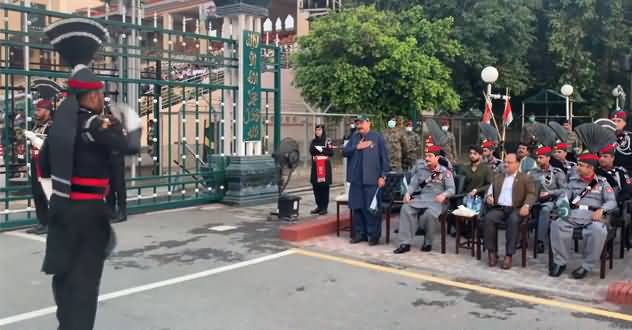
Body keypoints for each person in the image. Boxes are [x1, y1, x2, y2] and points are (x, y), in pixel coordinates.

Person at [39, 18, 128, 329]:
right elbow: (125, 147)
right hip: (88, 213)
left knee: (64, 278)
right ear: (91, 95)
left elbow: (44, 168)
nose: (103, 99)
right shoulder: (93, 123)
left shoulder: (58, 126)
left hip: (60, 210)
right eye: (101, 94)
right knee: (85, 284)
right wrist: (125, 122)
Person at [549, 153, 617, 279]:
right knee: (557, 224)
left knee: (598, 231)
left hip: (593, 216)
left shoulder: (602, 183)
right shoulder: (573, 181)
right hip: (574, 214)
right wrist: (562, 204)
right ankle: (560, 262)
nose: (577, 167)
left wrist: (602, 210)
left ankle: (586, 266)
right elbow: (565, 195)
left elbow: (612, 201)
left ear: (590, 168)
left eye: (581, 165)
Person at [393, 145, 455, 253]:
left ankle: (428, 242)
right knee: (406, 208)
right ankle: (405, 243)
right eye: (426, 156)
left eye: (430, 156)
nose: (426, 159)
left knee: (429, 215)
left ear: (437, 158)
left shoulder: (445, 172)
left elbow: (451, 189)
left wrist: (444, 195)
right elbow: (413, 185)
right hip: (422, 199)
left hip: (437, 200)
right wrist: (408, 193)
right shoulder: (421, 170)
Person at [483, 153, 536, 269]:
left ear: (517, 164)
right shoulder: (498, 177)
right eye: (505, 162)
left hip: (516, 209)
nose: (506, 165)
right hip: (500, 208)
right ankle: (492, 252)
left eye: (509, 162)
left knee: (513, 221)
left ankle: (508, 255)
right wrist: (488, 197)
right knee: (489, 218)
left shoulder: (525, 178)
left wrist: (526, 206)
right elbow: (489, 191)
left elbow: (532, 194)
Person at [343, 114, 389, 246]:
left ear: (369, 123)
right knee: (357, 207)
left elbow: (384, 159)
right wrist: (357, 147)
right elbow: (345, 152)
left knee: (371, 209)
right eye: (357, 123)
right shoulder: (354, 137)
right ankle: (359, 234)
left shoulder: (377, 137)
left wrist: (382, 176)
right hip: (356, 179)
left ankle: (373, 235)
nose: (359, 125)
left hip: (372, 179)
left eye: (362, 122)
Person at [527, 146, 567, 253]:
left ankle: (540, 241)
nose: (538, 160)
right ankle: (520, 239)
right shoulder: (532, 172)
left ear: (548, 158)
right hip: (533, 200)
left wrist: (550, 193)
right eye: (537, 158)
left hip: (549, 201)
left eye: (541, 157)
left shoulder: (557, 172)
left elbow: (564, 190)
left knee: (545, 210)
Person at [26, 99, 54, 235]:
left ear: (47, 111)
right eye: (36, 109)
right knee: (37, 194)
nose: (37, 112)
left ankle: (49, 223)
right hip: (35, 161)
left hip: (46, 162)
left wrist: (34, 139)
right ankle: (41, 222)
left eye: (39, 110)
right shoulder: (36, 125)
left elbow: (49, 146)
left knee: (46, 194)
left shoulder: (51, 126)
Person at [309, 124, 334, 215]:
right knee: (316, 186)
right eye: (316, 130)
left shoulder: (328, 141)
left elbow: (330, 152)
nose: (318, 132)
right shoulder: (314, 141)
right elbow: (311, 150)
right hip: (315, 166)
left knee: (324, 186)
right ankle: (319, 206)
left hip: (324, 167)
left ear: (323, 131)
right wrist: (317, 151)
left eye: (319, 130)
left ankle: (324, 207)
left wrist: (321, 150)